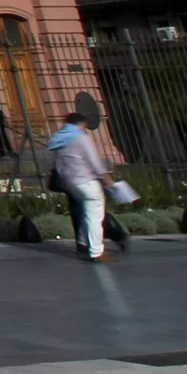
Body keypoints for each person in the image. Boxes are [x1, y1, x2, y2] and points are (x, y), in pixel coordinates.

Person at [47, 112, 118, 263]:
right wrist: (107, 180)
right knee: (94, 216)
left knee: (85, 211)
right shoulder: (81, 138)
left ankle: (83, 243)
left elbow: (58, 164)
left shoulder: (59, 139)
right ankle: (97, 251)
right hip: (86, 181)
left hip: (69, 182)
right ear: (82, 123)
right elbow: (95, 162)